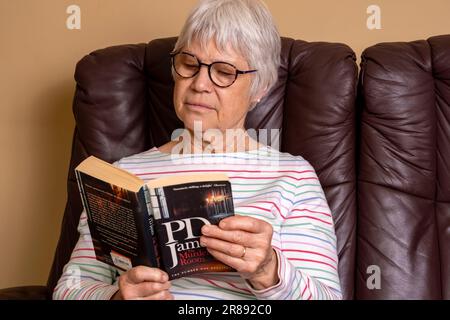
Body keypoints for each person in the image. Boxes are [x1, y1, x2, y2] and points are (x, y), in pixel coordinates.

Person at [53, 0, 342, 300]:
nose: (200, 83)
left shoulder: (293, 178)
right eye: (190, 64)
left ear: (259, 88)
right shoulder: (121, 175)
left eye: (224, 71)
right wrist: (116, 297)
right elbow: (70, 289)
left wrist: (268, 270)